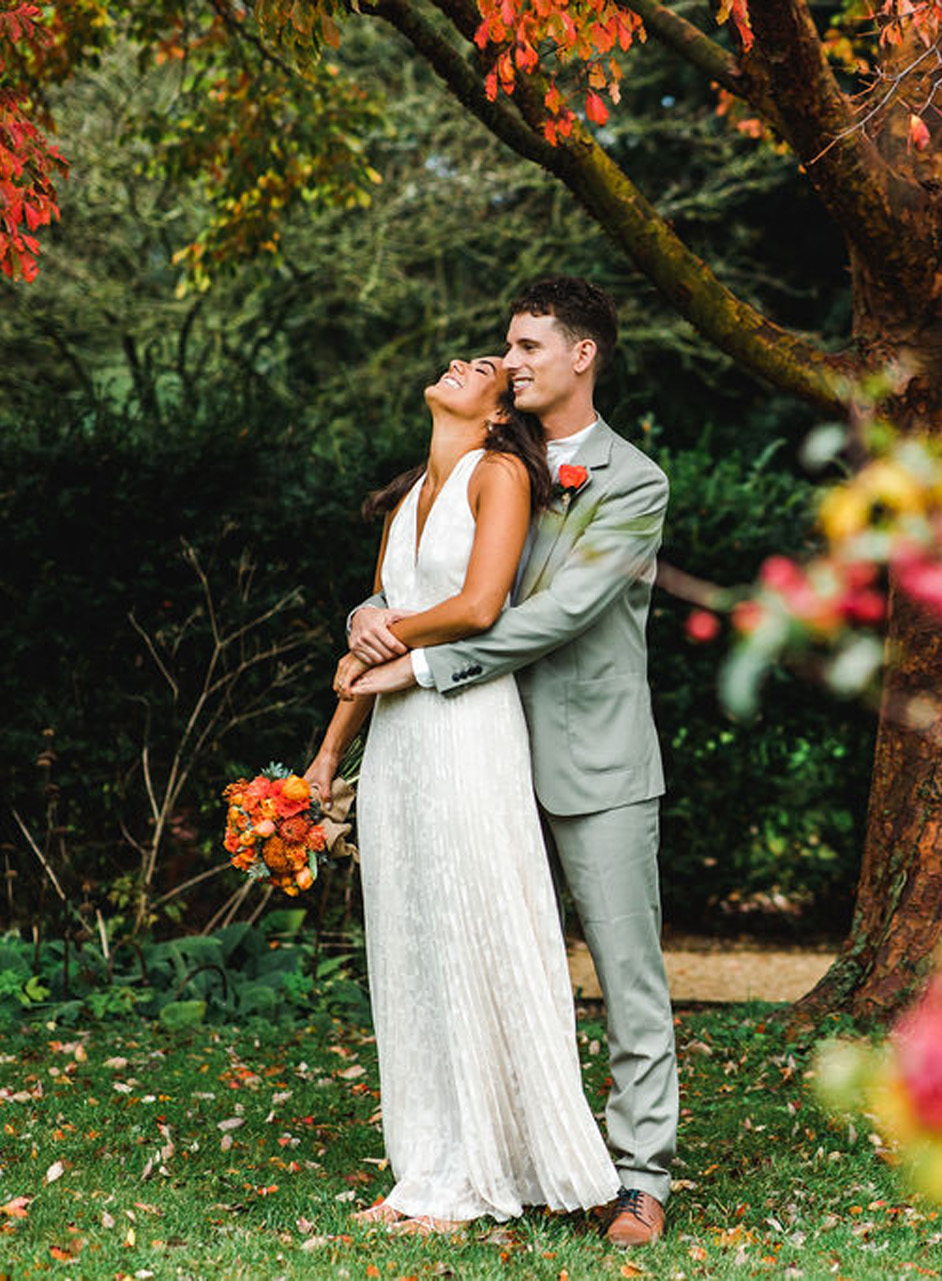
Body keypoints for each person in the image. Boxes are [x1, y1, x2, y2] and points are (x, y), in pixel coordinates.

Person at [341, 277, 677, 1248]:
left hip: (592, 758)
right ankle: (498, 1154)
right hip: (473, 752)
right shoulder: (491, 461)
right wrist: (372, 619)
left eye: (530, 345)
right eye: (507, 347)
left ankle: (642, 1178)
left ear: (584, 354)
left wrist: (423, 661)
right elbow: (439, 578)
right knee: (477, 961)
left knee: (627, 973)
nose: (513, 360)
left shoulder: (635, 482)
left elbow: (557, 612)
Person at [302, 352, 619, 1232]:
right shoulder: (406, 502)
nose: (461, 364)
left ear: (490, 412)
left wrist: (383, 620)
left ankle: (486, 1170)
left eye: (482, 366)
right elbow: (369, 659)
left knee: (472, 928)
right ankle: (428, 1167)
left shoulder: (502, 473)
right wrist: (329, 761)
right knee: (411, 942)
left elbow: (481, 605)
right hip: (396, 747)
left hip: (466, 724)